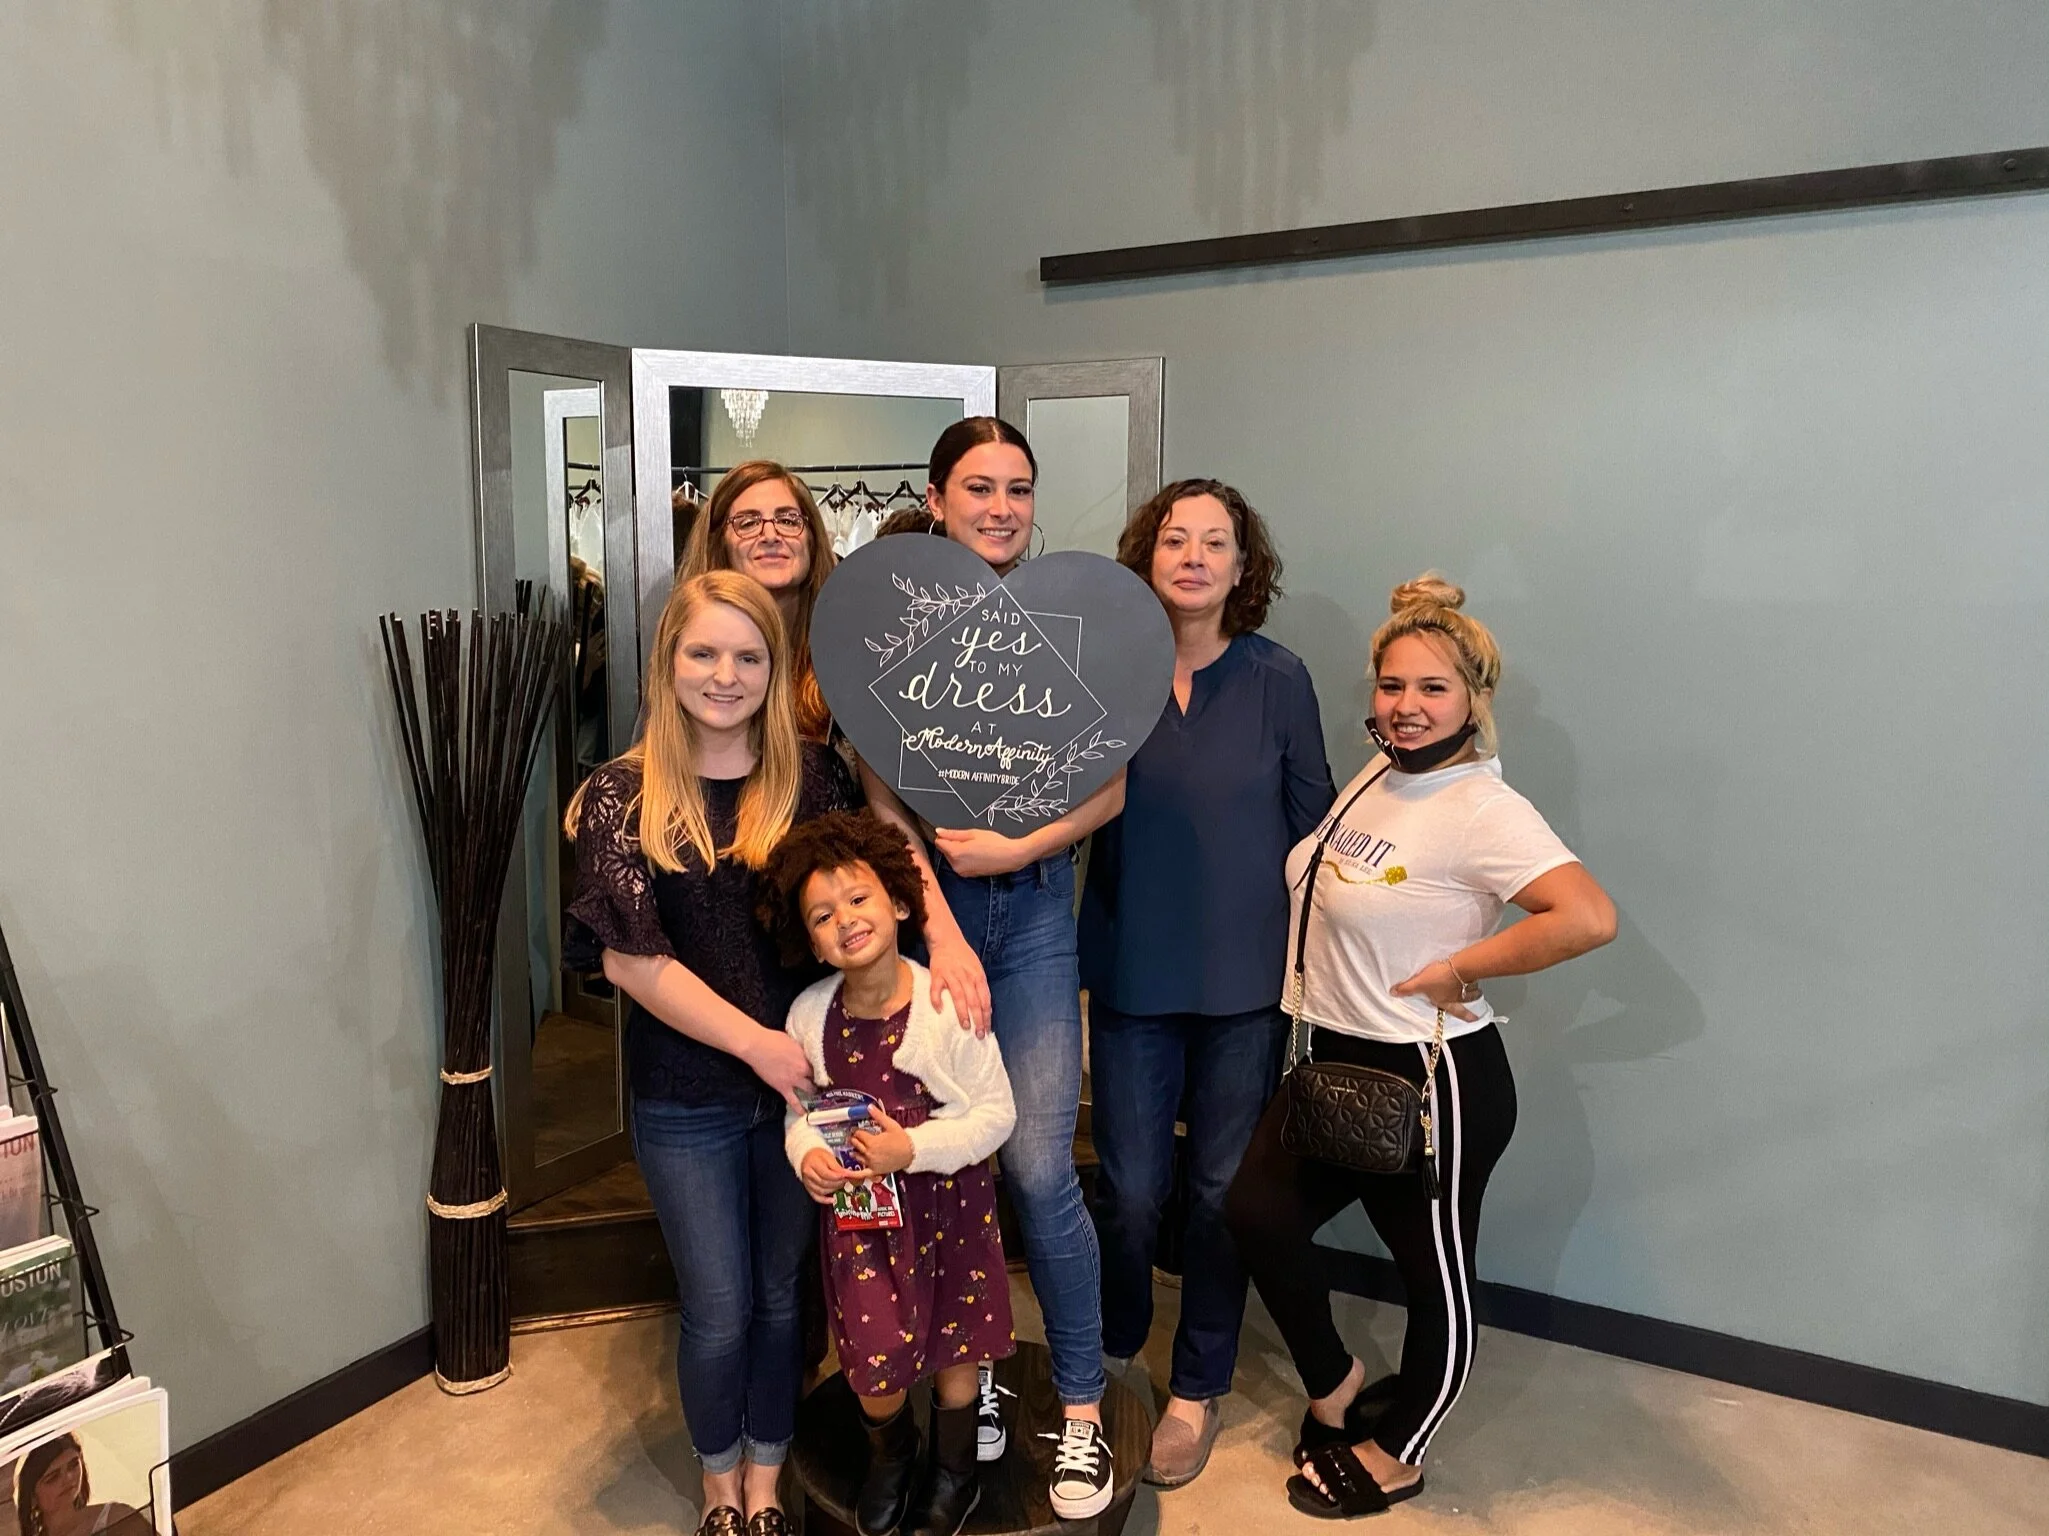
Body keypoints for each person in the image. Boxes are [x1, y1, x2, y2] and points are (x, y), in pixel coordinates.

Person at [1225, 574, 1616, 1520]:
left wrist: (1463, 966)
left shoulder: (1483, 806)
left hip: (1430, 1079)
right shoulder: (1380, 771)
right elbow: (1428, 640)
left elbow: (1587, 916)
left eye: (1433, 689)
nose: (1405, 706)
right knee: (1254, 1215)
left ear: (1475, 702)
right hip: (1330, 1059)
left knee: (1432, 1275)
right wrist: (1426, 597)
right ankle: (1335, 1384)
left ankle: (1399, 1450)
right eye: (1391, 686)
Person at [862, 416, 1122, 1520]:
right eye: (980, 486)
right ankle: (965, 1394)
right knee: (942, 1167)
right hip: (928, 922)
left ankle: (1080, 1412)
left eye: (1019, 487)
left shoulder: (1067, 620)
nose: (1002, 505)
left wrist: (1017, 850)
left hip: (1037, 915)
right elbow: (879, 793)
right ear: (935, 494)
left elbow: (1107, 785)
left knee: (1036, 1169)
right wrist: (944, 925)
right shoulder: (886, 620)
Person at [564, 570, 859, 1536]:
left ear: (776, 670)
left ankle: (767, 1480)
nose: (724, 675)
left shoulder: (813, 779)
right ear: (667, 662)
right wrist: (757, 1046)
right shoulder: (617, 797)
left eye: (748, 656)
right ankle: (718, 1482)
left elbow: (853, 917)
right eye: (704, 653)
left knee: (781, 1298)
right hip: (686, 1093)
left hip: (801, 1094)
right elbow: (631, 960)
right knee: (719, 1307)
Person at [1078, 479, 1335, 1488]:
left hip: (1244, 983)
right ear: (1146, 557)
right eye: (1174, 539)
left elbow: (1317, 832)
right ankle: (1109, 1354)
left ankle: (1196, 1386)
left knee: (1226, 1194)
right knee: (1133, 1194)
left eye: (1214, 542)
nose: (1192, 556)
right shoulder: (1105, 677)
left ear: (1242, 567)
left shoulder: (1280, 679)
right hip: (1134, 970)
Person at [763, 811, 1016, 1536]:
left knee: (956, 1346)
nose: (844, 919)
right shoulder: (809, 1016)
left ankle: (954, 1470)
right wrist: (803, 1154)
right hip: (861, 1225)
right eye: (822, 914)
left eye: (858, 898)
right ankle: (893, 1454)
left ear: (900, 902)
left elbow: (995, 1114)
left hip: (950, 1213)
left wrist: (913, 1149)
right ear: (808, 938)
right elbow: (799, 1115)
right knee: (872, 1354)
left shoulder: (944, 1005)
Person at [684, 460, 994, 1050]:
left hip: (850, 928)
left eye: (787, 518)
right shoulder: (693, 661)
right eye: (747, 521)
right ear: (719, 536)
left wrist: (939, 927)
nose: (770, 533)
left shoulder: (865, 649)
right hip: (730, 923)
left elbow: (897, 800)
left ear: (813, 533)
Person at [13, 1433, 151, 1536]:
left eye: (73, 1465)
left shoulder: (117, 1518)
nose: (68, 1477)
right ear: (32, 1494)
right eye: (53, 1477)